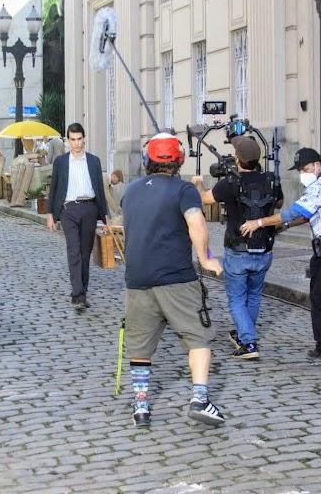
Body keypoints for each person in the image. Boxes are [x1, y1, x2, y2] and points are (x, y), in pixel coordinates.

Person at [122, 132, 225, 428]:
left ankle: (141, 408)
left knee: (140, 346)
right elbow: (196, 222)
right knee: (198, 337)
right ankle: (200, 399)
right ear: (178, 160)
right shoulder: (183, 191)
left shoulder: (130, 191)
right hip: (176, 277)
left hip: (137, 278)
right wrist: (206, 258)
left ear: (147, 160)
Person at [241, 147, 321, 367]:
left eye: (306, 168)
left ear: (318, 165)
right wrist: (285, 226)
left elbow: (293, 212)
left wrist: (259, 222)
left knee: (318, 299)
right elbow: (309, 215)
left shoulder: (320, 187)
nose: (303, 173)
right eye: (300, 170)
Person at [192, 136, 283, 360]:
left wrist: (198, 183)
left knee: (236, 299)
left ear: (237, 159)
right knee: (253, 296)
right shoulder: (272, 180)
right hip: (264, 249)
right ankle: (245, 334)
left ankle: (249, 343)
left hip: (237, 249)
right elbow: (278, 204)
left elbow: (205, 199)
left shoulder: (230, 182)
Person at [46, 123, 108, 311]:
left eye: (79, 139)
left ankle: (83, 290)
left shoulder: (94, 161)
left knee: (84, 253)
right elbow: (54, 188)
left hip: (89, 208)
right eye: (73, 140)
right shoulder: (61, 162)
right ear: (67, 141)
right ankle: (78, 295)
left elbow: (100, 190)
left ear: (84, 138)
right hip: (68, 210)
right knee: (73, 251)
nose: (77, 143)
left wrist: (106, 218)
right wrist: (51, 214)